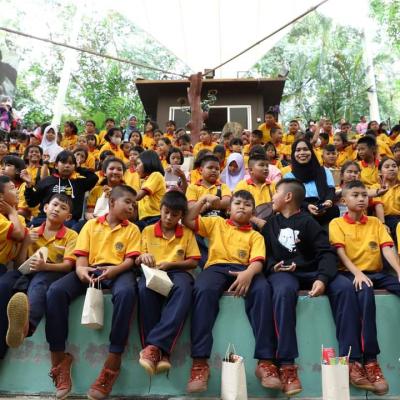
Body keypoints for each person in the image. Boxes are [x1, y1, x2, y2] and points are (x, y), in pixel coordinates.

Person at [252, 178, 366, 395]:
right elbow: (264, 255)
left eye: (276, 192)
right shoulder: (271, 225)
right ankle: (287, 365)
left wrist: (322, 279)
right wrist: (272, 266)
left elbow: (326, 254)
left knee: (344, 287)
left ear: (288, 197)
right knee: (283, 291)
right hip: (284, 274)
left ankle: (352, 361)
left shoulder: (309, 222)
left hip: (312, 272)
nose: (272, 197)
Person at [45, 185, 140, 400]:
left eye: (134, 205)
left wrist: (114, 270)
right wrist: (81, 270)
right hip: (91, 269)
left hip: (118, 271)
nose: (131, 207)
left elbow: (130, 260)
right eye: (127, 202)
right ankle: (59, 360)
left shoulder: (132, 229)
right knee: (56, 291)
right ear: (112, 202)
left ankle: (113, 361)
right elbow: (81, 257)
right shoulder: (90, 225)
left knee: (127, 293)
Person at [183, 190, 279, 393]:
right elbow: (188, 220)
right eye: (237, 203)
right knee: (202, 290)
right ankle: (199, 364)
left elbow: (258, 262)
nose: (242, 206)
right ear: (228, 209)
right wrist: (202, 200)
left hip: (246, 269)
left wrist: (248, 274)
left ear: (253, 212)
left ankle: (266, 362)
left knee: (263, 290)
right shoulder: (216, 223)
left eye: (247, 204)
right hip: (217, 268)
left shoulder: (255, 235)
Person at [329, 180, 400, 396]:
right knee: (365, 291)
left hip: (376, 272)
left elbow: (387, 249)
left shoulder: (375, 223)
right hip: (349, 273)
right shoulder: (336, 223)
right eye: (356, 195)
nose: (361, 199)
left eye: (364, 195)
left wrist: (398, 271)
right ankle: (368, 361)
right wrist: (357, 273)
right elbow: (340, 253)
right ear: (344, 200)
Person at [136, 191, 200, 375]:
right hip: (153, 272)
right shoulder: (148, 231)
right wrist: (143, 257)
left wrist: (171, 264)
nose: (169, 217)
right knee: (143, 289)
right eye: (166, 212)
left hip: (178, 271)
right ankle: (161, 353)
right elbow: (137, 258)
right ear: (160, 209)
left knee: (184, 289)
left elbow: (193, 261)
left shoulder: (186, 233)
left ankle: (153, 347)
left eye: (175, 214)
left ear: (181, 216)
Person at [3, 194, 77, 352]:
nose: (57, 209)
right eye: (54, 205)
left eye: (63, 208)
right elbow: (18, 265)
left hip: (53, 271)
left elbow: (68, 266)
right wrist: (26, 243)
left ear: (68, 217)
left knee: (39, 283)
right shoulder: (32, 232)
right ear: (45, 207)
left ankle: (26, 327)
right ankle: (7, 327)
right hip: (29, 271)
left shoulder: (71, 235)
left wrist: (44, 266)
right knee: (6, 281)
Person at [22, 150, 98, 230]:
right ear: (56, 165)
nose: (67, 166)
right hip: (44, 219)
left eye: (71, 163)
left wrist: (79, 168)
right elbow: (32, 202)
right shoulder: (47, 181)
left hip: (69, 222)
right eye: (64, 162)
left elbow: (94, 178)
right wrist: (29, 185)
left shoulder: (79, 182)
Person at [0, 175, 27, 359]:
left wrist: (13, 214)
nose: (17, 191)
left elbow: (18, 259)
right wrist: (12, 213)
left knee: (6, 287)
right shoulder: (10, 218)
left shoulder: (19, 219)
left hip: (4, 268)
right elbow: (17, 233)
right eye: (11, 188)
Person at [284, 139, 339, 225]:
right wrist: (307, 206)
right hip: (301, 212)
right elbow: (292, 198)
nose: (302, 153)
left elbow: (331, 190)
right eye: (298, 150)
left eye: (305, 149)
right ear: (293, 154)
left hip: (324, 209)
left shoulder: (324, 171)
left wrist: (328, 201)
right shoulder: (289, 177)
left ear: (311, 152)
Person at [135, 150, 166, 230]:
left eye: (138, 164)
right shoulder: (145, 181)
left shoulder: (156, 175)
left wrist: (122, 196)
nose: (136, 168)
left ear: (147, 162)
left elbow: (138, 196)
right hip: (145, 219)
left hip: (155, 218)